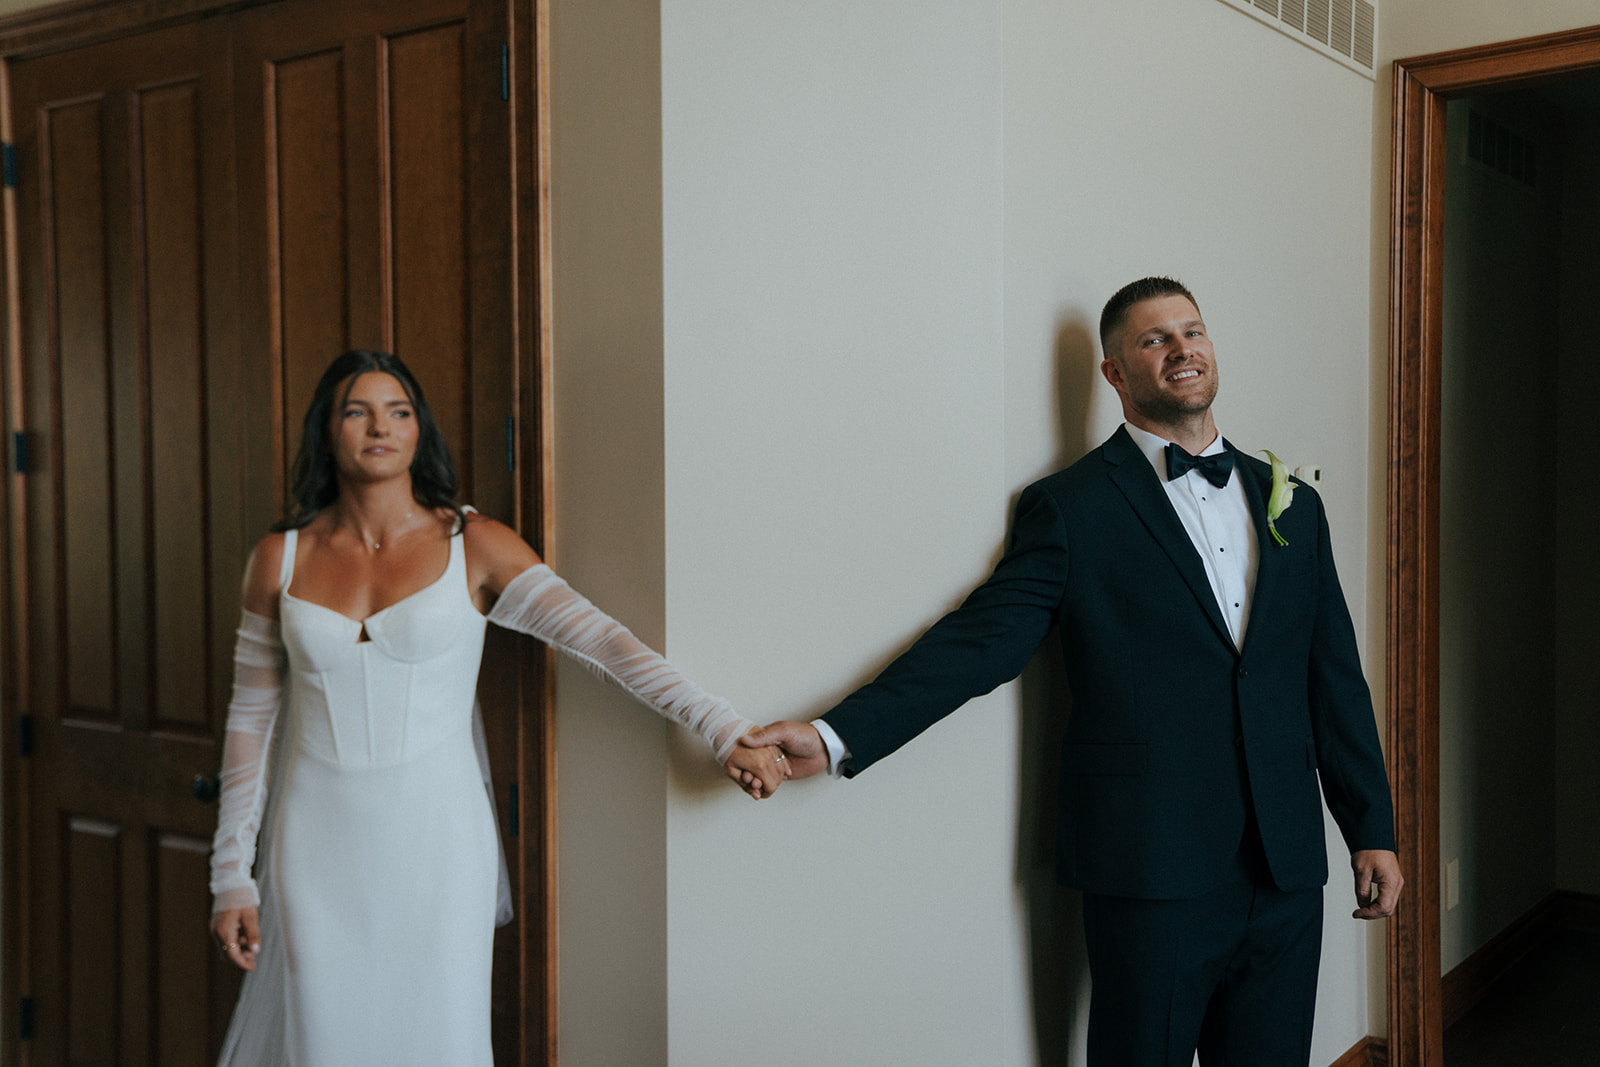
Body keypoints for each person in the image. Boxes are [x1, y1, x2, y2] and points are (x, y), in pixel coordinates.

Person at [745, 277, 1402, 1066]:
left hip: (1286, 862)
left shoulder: (1291, 502)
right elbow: (977, 644)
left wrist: (1370, 828)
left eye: (1193, 331)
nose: (1183, 348)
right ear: (1115, 374)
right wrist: (836, 732)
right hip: (1152, 860)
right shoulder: (1072, 507)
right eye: (1155, 339)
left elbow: (1334, 678)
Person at [208, 349, 786, 1066]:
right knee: (325, 1043)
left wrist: (720, 724)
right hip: (315, 849)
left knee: (441, 1041)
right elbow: (249, 721)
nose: (379, 426)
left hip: (439, 846)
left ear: (421, 432)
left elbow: (602, 640)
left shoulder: (473, 544)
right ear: (327, 431)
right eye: (356, 410)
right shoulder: (280, 556)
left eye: (399, 410)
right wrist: (230, 870)